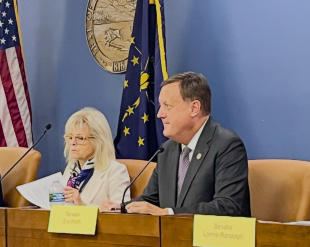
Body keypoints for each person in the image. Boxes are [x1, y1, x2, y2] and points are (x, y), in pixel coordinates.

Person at [103, 72, 251, 216]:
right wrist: (121, 208)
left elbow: (228, 206)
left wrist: (169, 213)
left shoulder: (227, 145)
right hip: (171, 238)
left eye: (167, 106)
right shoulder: (167, 150)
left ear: (194, 108)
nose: (160, 114)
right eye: (160, 106)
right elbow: (151, 200)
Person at [61, 108, 131, 209]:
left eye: (80, 138)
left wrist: (83, 206)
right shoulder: (71, 170)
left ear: (98, 141)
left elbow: (120, 214)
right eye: (70, 137)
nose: (73, 142)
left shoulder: (115, 171)